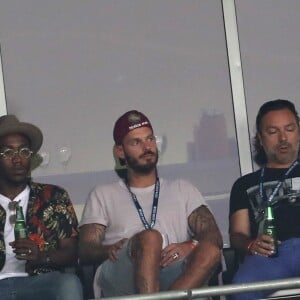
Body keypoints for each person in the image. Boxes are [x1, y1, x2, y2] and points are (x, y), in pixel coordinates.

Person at [79, 110, 223, 298]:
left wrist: (191, 244)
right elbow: (85, 249)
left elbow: (213, 236)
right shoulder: (103, 193)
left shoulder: (183, 188)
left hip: (173, 271)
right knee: (150, 238)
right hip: (123, 273)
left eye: (150, 139)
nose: (147, 147)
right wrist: (109, 249)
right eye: (136, 142)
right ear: (120, 151)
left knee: (210, 249)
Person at [0, 115, 83, 300]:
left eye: (24, 151)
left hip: (38, 282)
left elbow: (72, 251)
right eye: (7, 153)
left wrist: (41, 257)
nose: (17, 159)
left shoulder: (53, 196)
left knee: (68, 283)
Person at [229, 99, 300, 299]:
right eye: (273, 132)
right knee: (240, 289)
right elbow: (237, 234)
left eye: (289, 129)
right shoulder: (244, 184)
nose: (283, 138)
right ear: (260, 138)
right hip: (269, 256)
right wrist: (250, 245)